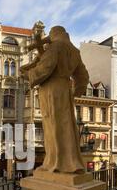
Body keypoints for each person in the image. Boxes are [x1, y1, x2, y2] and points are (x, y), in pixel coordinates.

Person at [21, 26, 89, 174]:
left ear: (54, 35)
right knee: (66, 126)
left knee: (53, 126)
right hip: (65, 89)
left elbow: (45, 68)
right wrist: (75, 92)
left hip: (51, 89)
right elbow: (83, 76)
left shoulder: (56, 47)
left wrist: (28, 75)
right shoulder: (75, 51)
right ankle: (72, 163)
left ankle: (55, 163)